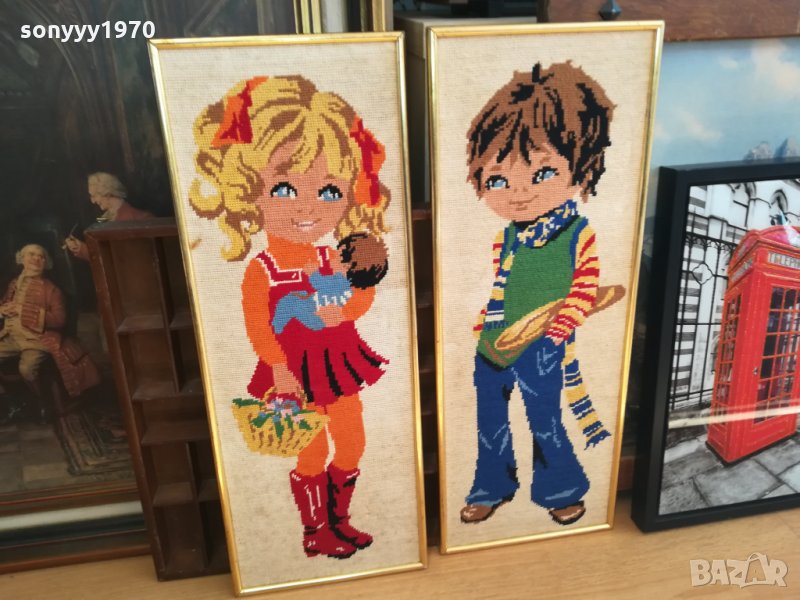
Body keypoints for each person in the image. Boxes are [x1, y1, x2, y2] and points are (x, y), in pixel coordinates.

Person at [190, 76, 391, 559]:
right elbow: (258, 326)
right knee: (310, 446)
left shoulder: (331, 257)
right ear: (249, 193)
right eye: (283, 188)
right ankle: (315, 530)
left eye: (329, 191)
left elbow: (359, 295)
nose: (308, 207)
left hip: (339, 363)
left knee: (352, 440)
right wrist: (279, 369)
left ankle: (341, 521)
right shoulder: (262, 269)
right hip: (294, 371)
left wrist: (350, 307)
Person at [460, 63, 615, 527]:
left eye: (542, 172)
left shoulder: (576, 233)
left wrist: (560, 329)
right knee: (489, 419)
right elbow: (502, 286)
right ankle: (492, 486)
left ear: (580, 169)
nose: (519, 194)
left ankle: (559, 488)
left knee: (544, 418)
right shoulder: (506, 237)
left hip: (543, 343)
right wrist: (485, 323)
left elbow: (585, 287)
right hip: (494, 341)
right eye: (499, 180)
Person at [0, 244, 100, 421]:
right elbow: (5, 304)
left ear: (46, 263)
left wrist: (24, 310)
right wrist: (2, 310)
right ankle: (12, 401)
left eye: (41, 256)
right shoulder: (14, 284)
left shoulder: (51, 289)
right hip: (11, 337)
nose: (36, 259)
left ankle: (42, 403)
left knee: (27, 369)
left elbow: (59, 320)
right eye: (31, 254)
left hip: (37, 340)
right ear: (21, 259)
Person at [65, 172, 153, 260]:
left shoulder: (141, 219)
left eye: (94, 196)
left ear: (107, 193)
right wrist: (80, 247)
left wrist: (84, 249)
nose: (93, 201)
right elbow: (102, 252)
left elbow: (120, 258)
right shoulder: (104, 217)